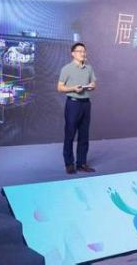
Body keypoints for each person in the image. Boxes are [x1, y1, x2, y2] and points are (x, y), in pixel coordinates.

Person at [57, 42, 97, 174]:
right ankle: (69, 164)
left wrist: (91, 86)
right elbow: (60, 87)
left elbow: (93, 84)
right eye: (80, 51)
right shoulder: (66, 69)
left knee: (84, 135)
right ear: (73, 54)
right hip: (73, 104)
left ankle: (82, 163)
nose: (83, 53)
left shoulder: (89, 68)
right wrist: (73, 88)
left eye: (84, 51)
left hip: (86, 104)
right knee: (70, 134)